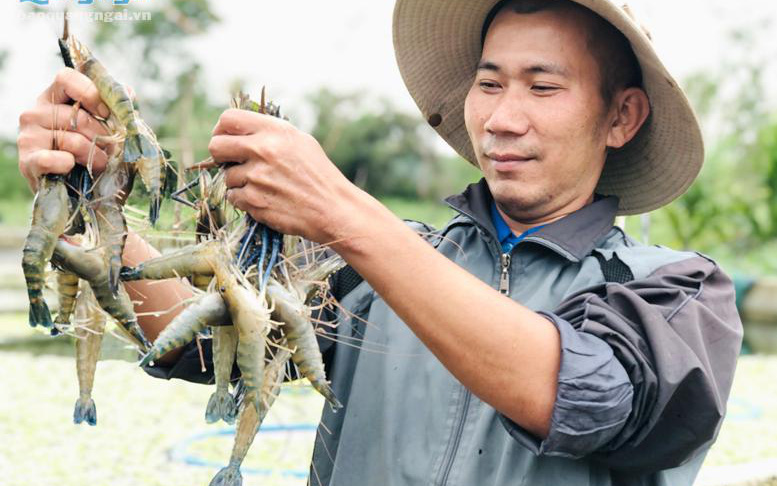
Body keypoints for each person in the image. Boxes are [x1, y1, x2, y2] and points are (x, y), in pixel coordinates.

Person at [17, 0, 743, 484]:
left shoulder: (676, 293)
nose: (501, 118)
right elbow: (203, 341)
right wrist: (88, 202)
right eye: (489, 84)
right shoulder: (378, 262)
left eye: (541, 88)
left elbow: (571, 394)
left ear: (621, 117)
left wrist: (342, 212)